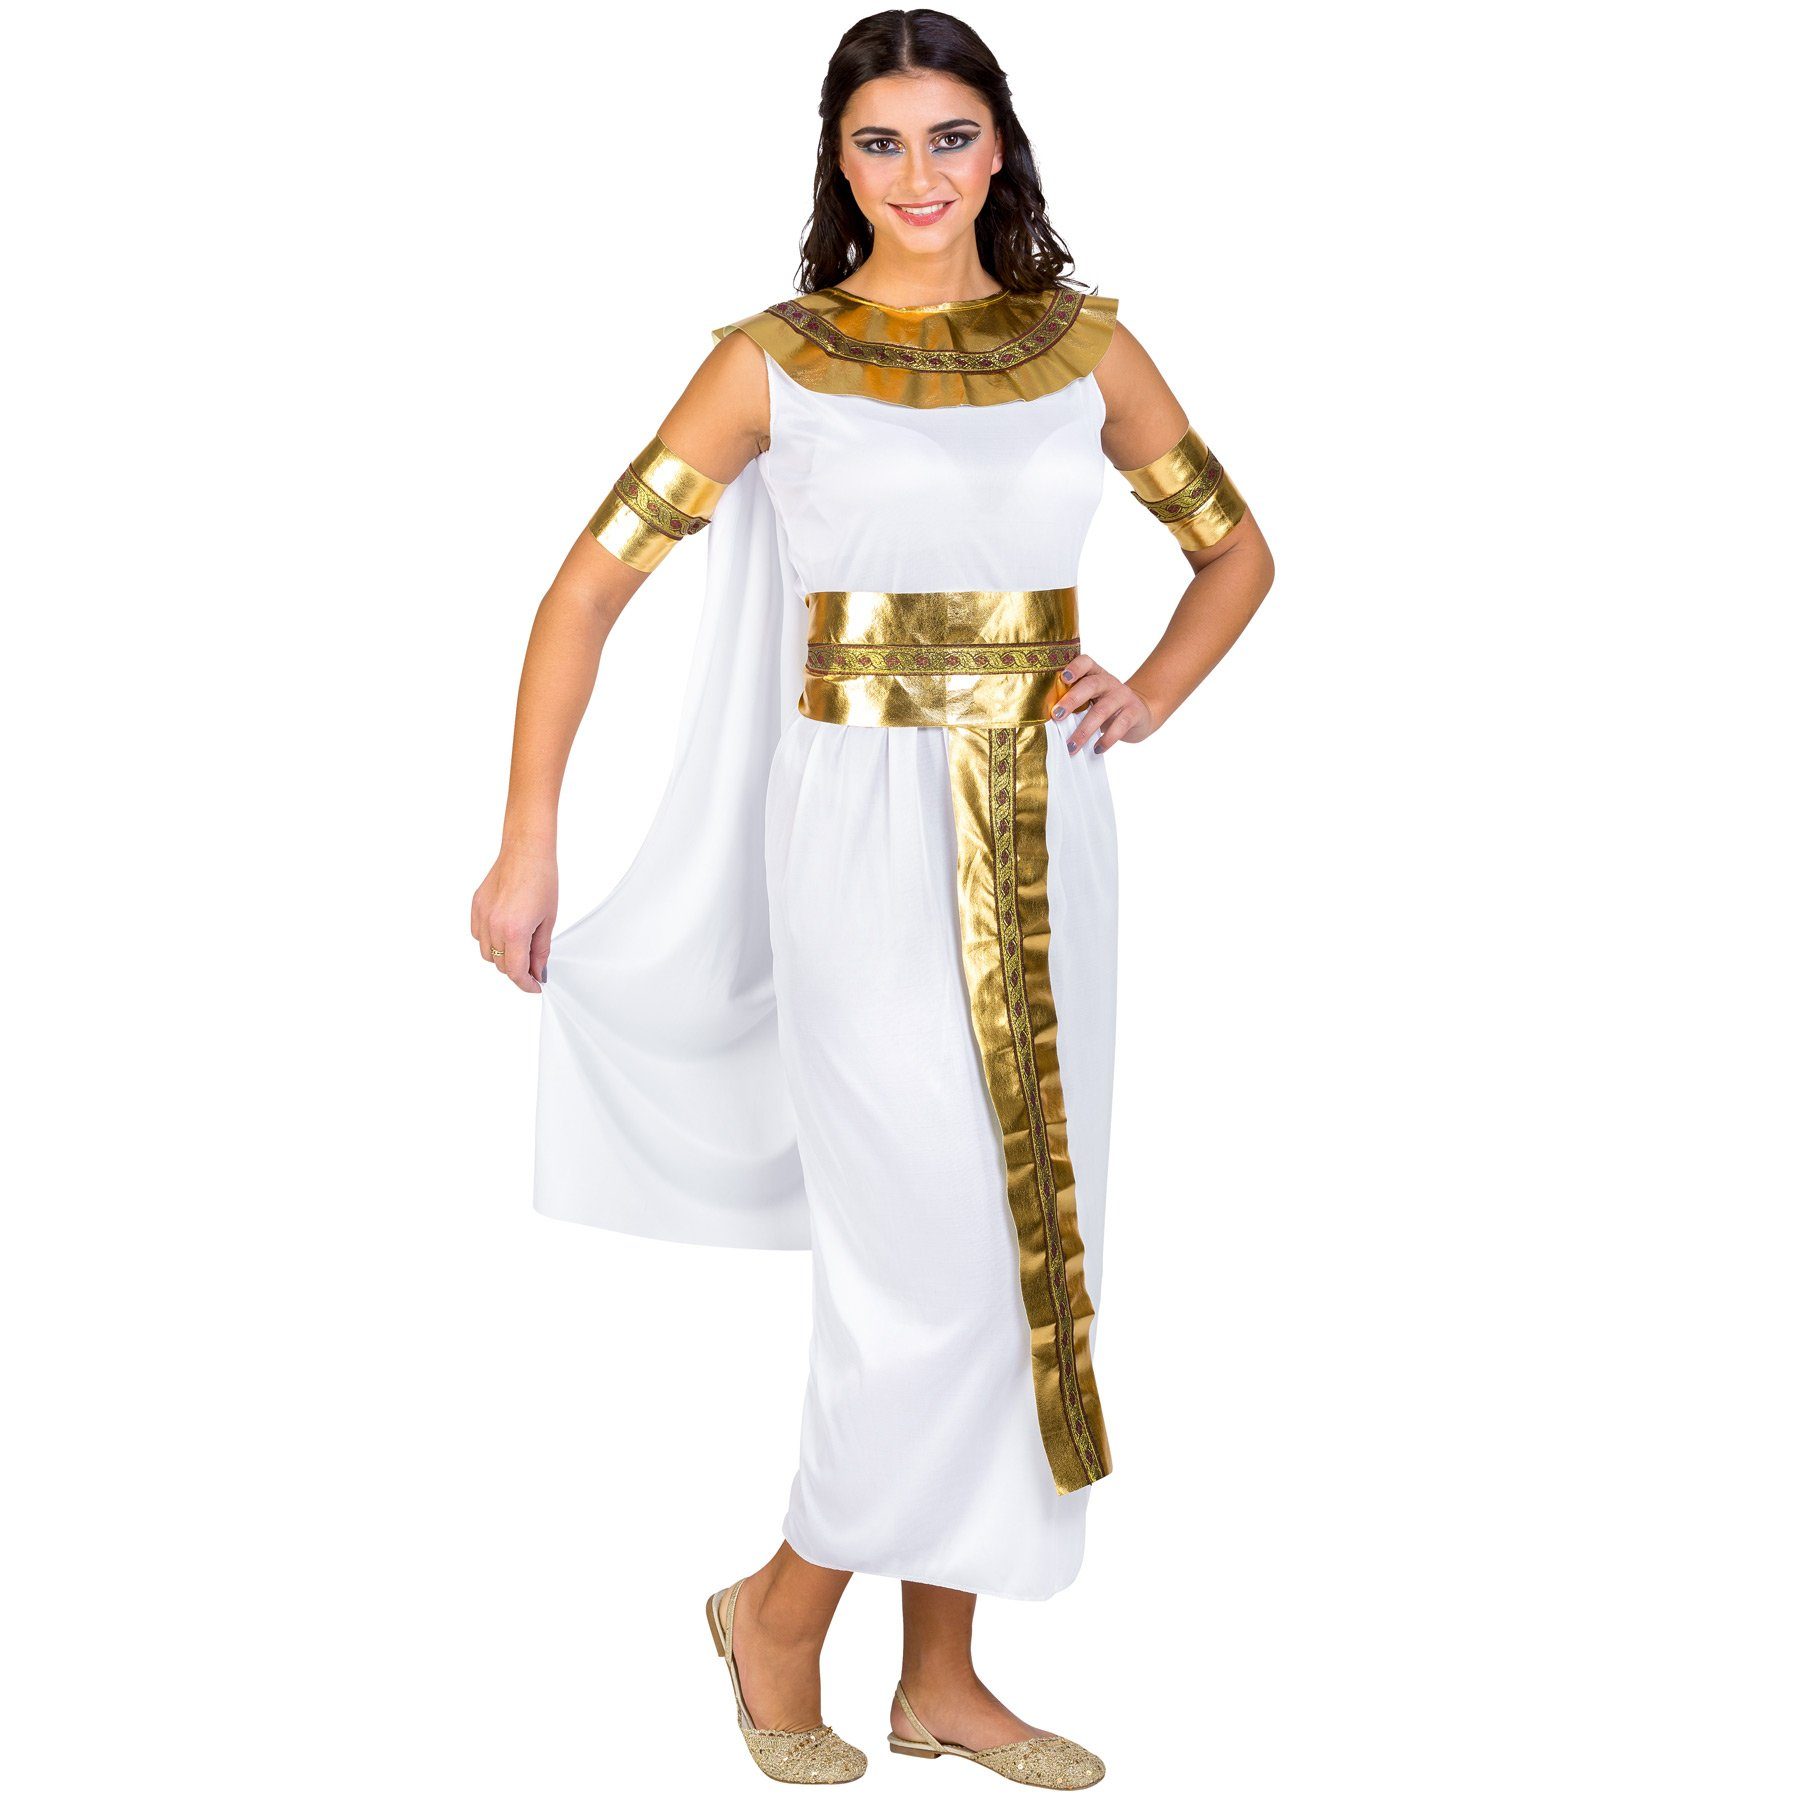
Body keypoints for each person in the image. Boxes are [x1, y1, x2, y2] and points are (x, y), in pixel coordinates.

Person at [471, 9, 1275, 1788]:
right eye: (881, 142)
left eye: (952, 137)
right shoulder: (777, 360)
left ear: (1003, 149)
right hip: (853, 829)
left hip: (1049, 827)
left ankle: (940, 1678)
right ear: (838, 161)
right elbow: (585, 590)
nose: (920, 175)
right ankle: (780, 1608)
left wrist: (1148, 687)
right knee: (922, 1255)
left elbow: (1236, 550)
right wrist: (530, 837)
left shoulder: (1087, 349)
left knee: (1014, 1241)